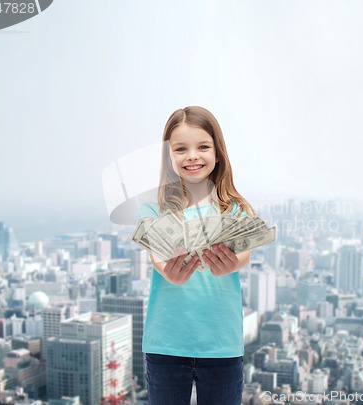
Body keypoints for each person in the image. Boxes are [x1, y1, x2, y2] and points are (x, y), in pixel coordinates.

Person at [137, 106, 256, 405]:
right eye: (180, 149)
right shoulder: (153, 207)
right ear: (168, 156)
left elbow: (245, 253)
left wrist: (231, 263)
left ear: (218, 153)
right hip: (166, 344)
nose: (192, 155)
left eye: (203, 146)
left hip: (222, 346)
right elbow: (157, 257)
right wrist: (168, 271)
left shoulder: (235, 208)